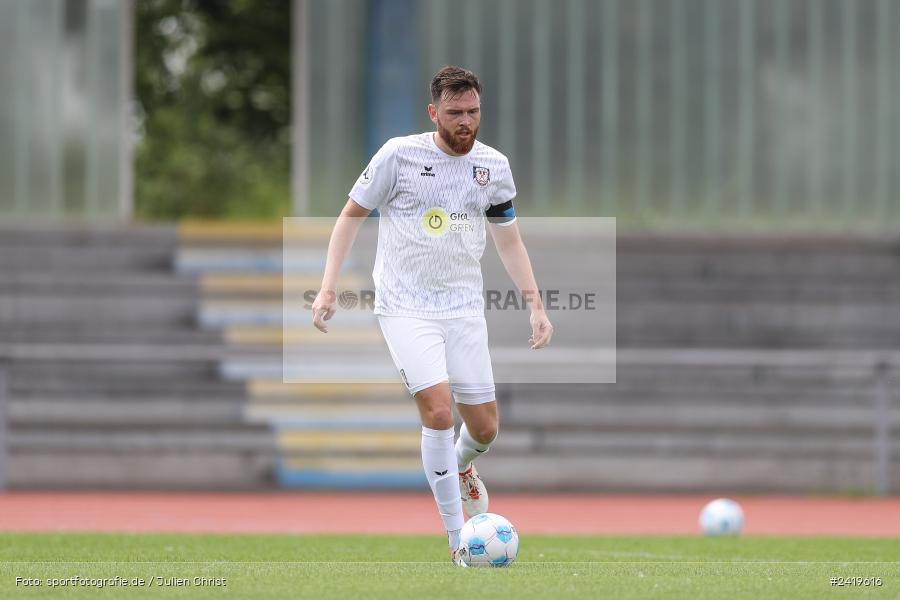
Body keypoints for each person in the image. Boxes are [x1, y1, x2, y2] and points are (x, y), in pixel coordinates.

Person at [311, 65, 553, 566]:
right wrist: (328, 286)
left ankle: (461, 466)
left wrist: (536, 304)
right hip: (405, 307)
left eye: (473, 112)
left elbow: (509, 241)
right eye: (455, 113)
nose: (466, 122)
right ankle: (458, 539)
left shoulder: (493, 166)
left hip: (464, 309)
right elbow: (350, 217)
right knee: (440, 412)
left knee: (484, 428)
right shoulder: (398, 156)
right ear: (433, 113)